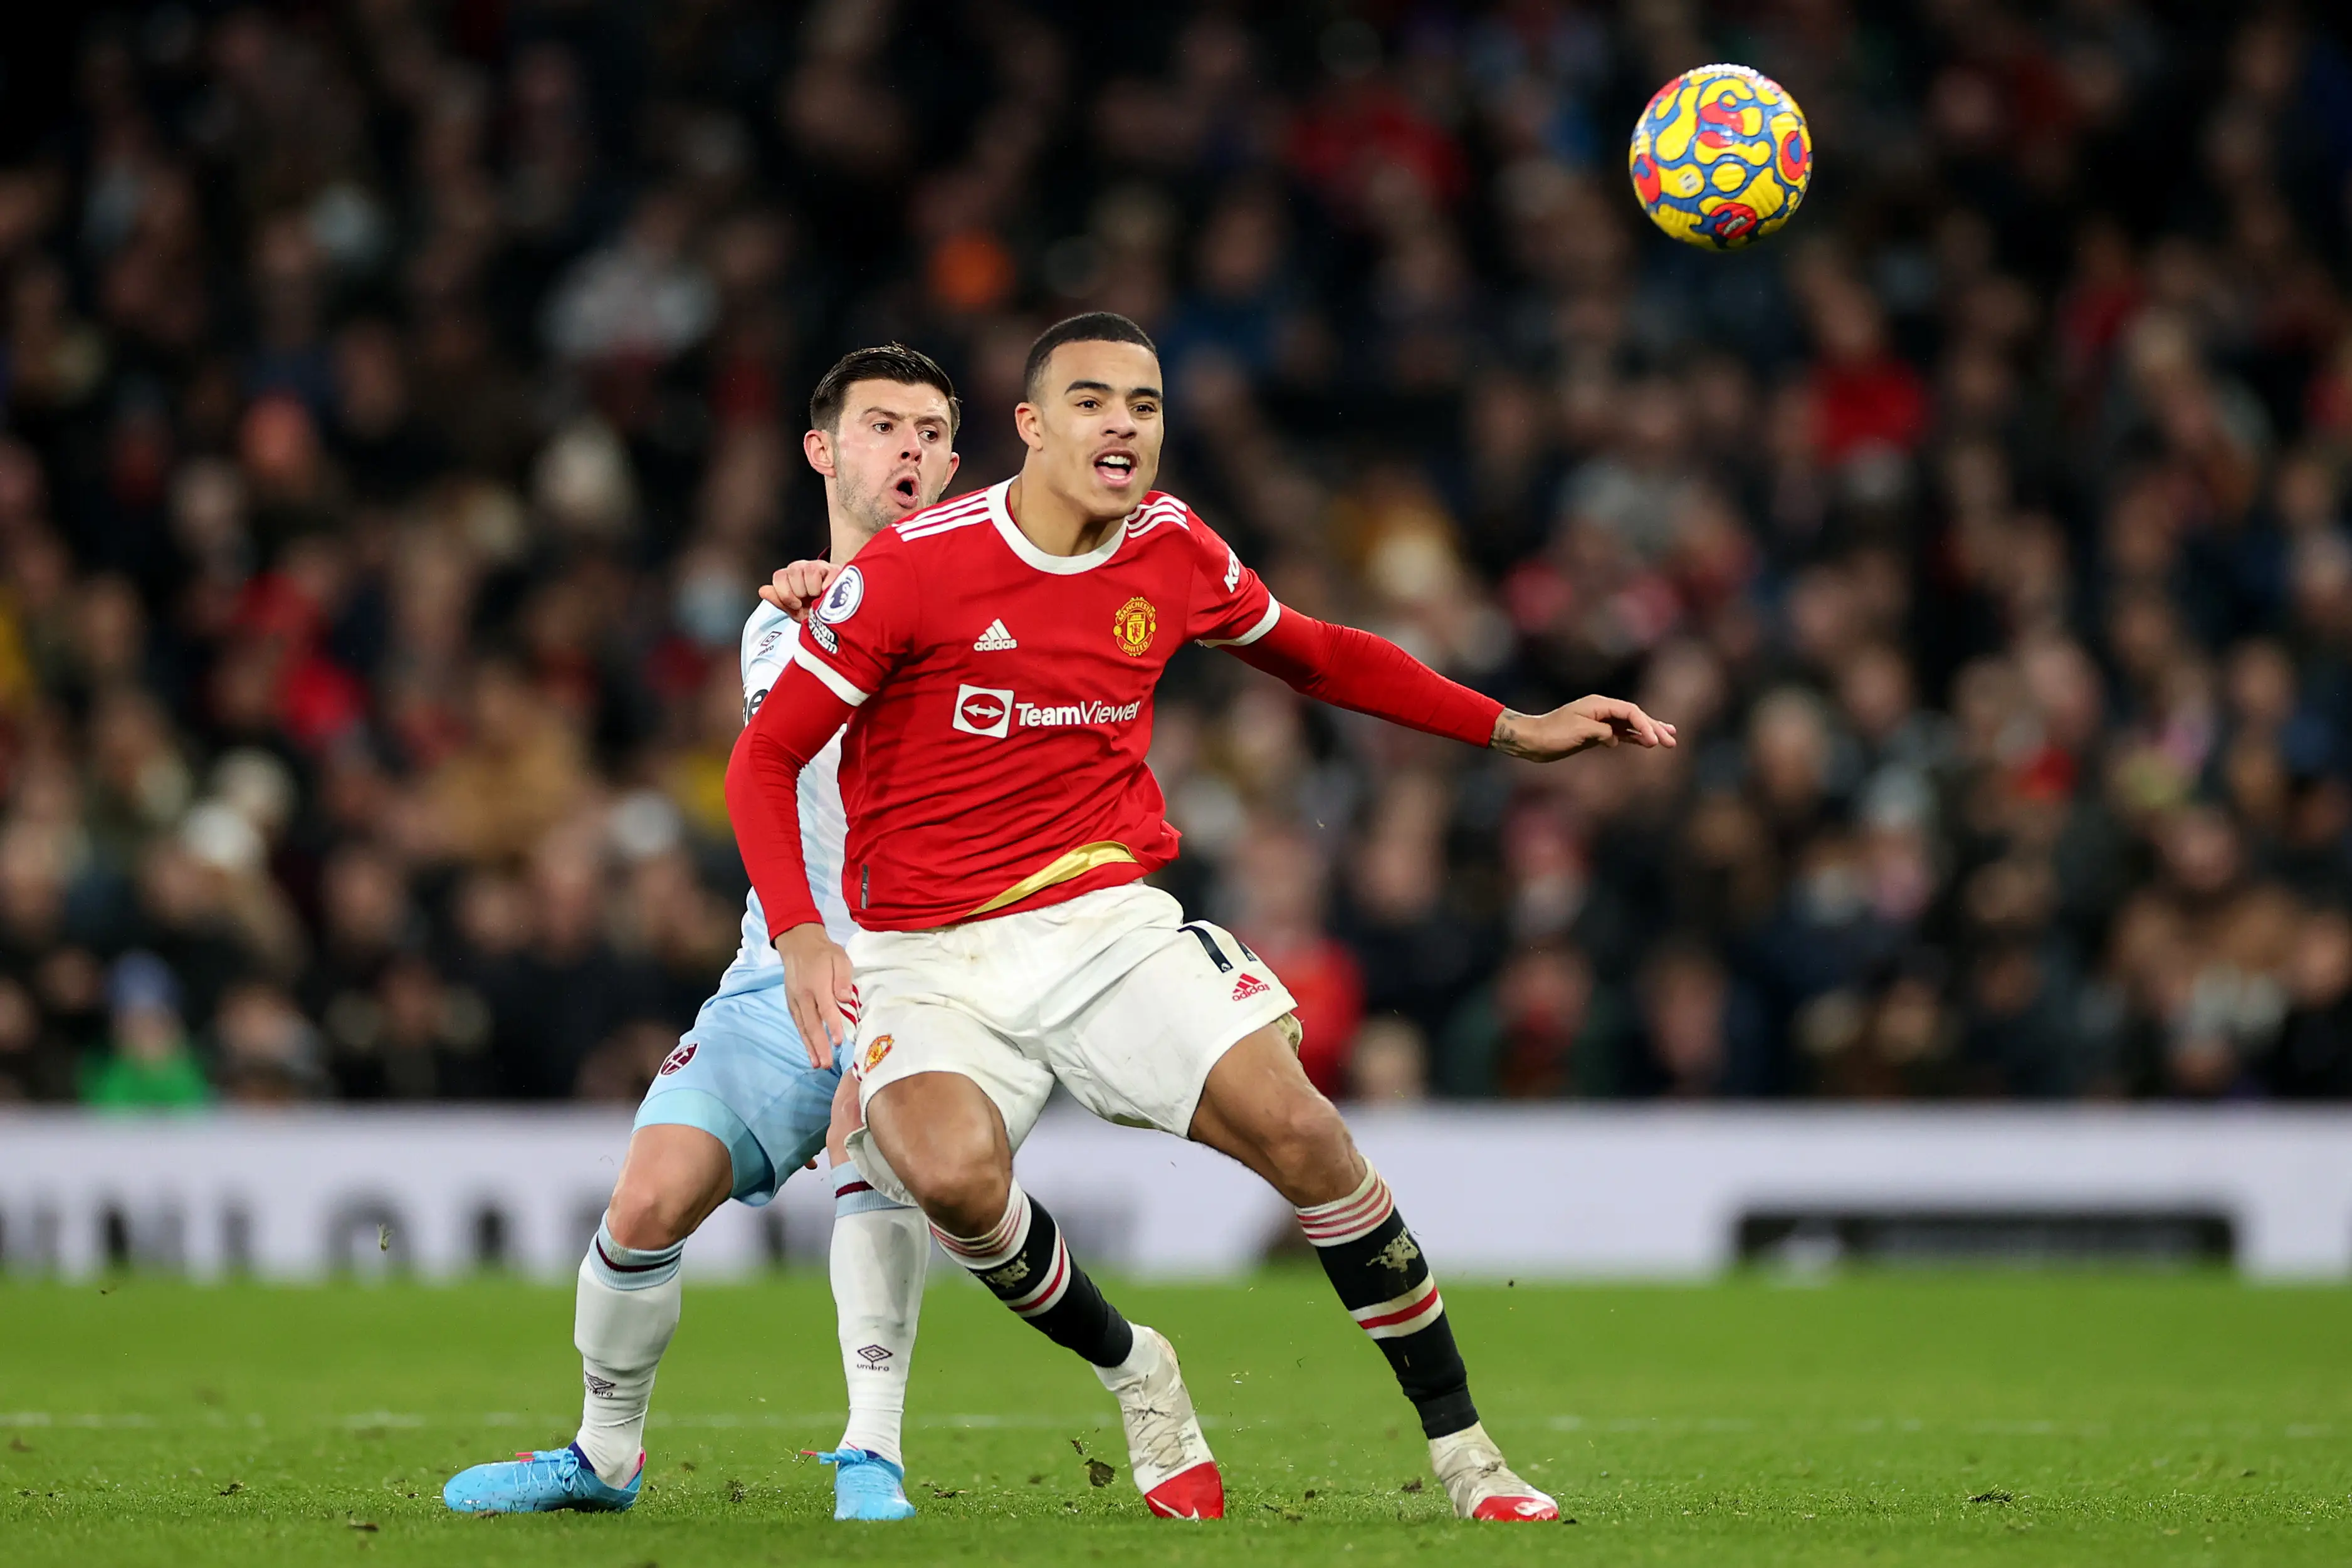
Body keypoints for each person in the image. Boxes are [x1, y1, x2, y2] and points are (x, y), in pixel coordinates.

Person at [729, 313, 1675, 1522]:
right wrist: (806, 932)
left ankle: (1471, 1457)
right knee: (955, 1182)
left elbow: (1318, 654)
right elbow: (764, 762)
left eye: (1145, 402)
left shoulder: (1171, 546)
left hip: (1104, 924)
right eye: (1092, 401)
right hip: (927, 953)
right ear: (1028, 427)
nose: (1123, 424)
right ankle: (1143, 1373)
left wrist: (1514, 725)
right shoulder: (914, 569)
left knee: (1311, 1136)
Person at [442, 345, 964, 1520]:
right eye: (884, 426)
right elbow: (782, 775)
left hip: (930, 969)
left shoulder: (989, 612)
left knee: (883, 1145)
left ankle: (872, 1452)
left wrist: (882, 1012)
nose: (912, 449)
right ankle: (603, 1457)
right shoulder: (776, 627)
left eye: (932, 430)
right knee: (644, 1204)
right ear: (823, 450)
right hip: (782, 967)